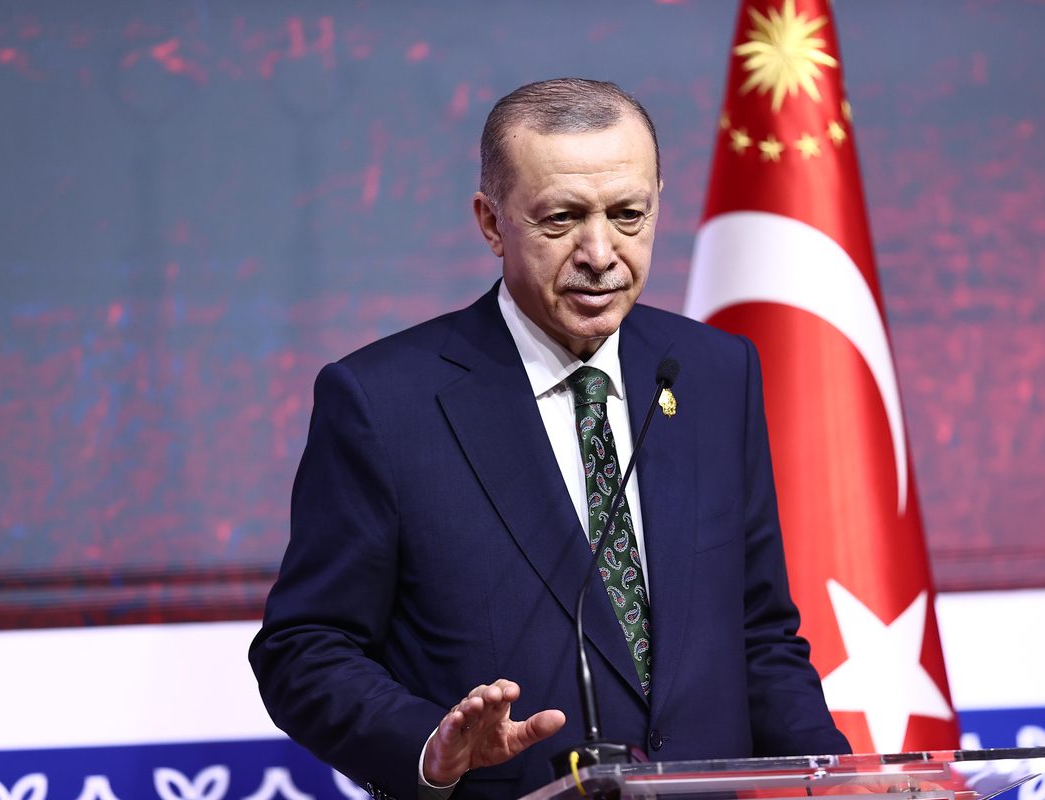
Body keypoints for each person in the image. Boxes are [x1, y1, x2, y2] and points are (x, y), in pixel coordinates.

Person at [249, 78, 849, 800]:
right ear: (492, 222)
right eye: (562, 219)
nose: (601, 253)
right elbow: (304, 650)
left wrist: (834, 778)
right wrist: (428, 745)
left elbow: (758, 633)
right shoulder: (383, 402)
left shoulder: (713, 371)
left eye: (629, 214)